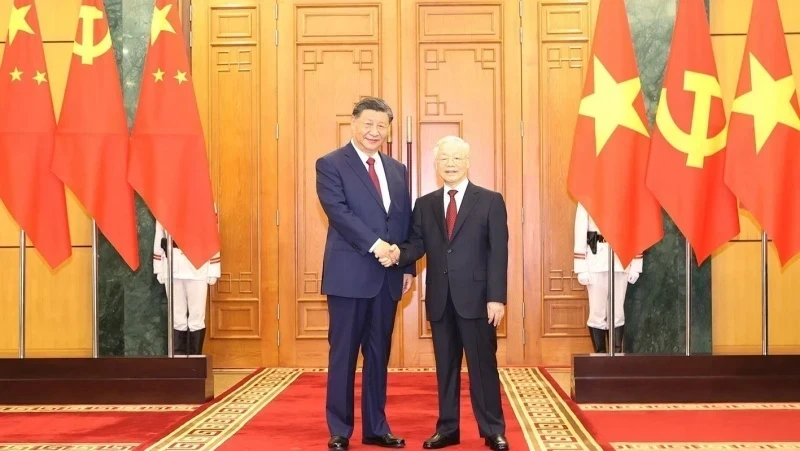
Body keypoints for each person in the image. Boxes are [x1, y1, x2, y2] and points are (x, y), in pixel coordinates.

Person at [379, 136, 509, 451]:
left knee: (483, 367)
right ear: (436, 165)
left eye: (456, 159)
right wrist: (398, 254)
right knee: (445, 368)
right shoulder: (425, 204)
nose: (450, 165)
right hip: (440, 300)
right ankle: (447, 429)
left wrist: (497, 297)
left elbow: (498, 253)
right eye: (444, 160)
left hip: (478, 301)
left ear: (467, 162)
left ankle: (492, 429)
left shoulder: (490, 200)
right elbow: (417, 244)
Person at [316, 96, 415, 450]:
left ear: (388, 130)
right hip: (349, 275)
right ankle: (340, 430)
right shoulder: (330, 164)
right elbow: (339, 213)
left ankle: (376, 427)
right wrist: (378, 246)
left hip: (389, 277)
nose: (374, 131)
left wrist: (406, 264)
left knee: (378, 353)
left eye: (381, 126)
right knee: (343, 354)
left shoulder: (397, 169)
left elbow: (403, 220)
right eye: (368, 124)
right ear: (353, 124)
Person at [573, 202, 641, 353]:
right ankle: (600, 357)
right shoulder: (588, 195)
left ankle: (616, 357)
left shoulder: (626, 195)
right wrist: (581, 266)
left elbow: (635, 230)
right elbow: (580, 231)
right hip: (595, 260)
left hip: (621, 259)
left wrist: (636, 263)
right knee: (597, 313)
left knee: (617, 313)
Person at [154, 217, 220, 355]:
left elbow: (212, 235)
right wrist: (159, 266)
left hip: (198, 265)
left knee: (197, 317)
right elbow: (159, 236)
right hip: (172, 265)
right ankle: (179, 362)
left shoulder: (204, 202)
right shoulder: (165, 204)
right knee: (177, 318)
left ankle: (195, 362)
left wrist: (214, 266)